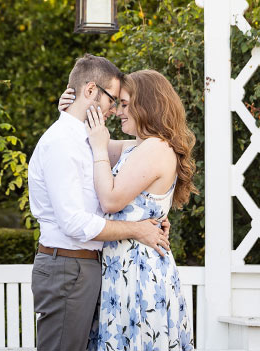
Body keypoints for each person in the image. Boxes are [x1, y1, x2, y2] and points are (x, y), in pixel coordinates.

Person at [29, 55, 171, 351]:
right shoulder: (63, 143)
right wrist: (136, 228)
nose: (115, 109)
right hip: (68, 265)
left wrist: (152, 214)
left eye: (122, 102)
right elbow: (74, 222)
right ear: (91, 91)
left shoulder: (87, 139)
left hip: (85, 268)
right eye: (113, 100)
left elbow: (143, 150)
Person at [80, 69, 197, 351]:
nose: (119, 111)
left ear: (146, 104)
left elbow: (110, 200)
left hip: (138, 272)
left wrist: (98, 149)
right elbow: (89, 140)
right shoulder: (140, 146)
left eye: (124, 104)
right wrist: (74, 111)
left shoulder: (156, 148)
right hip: (125, 266)